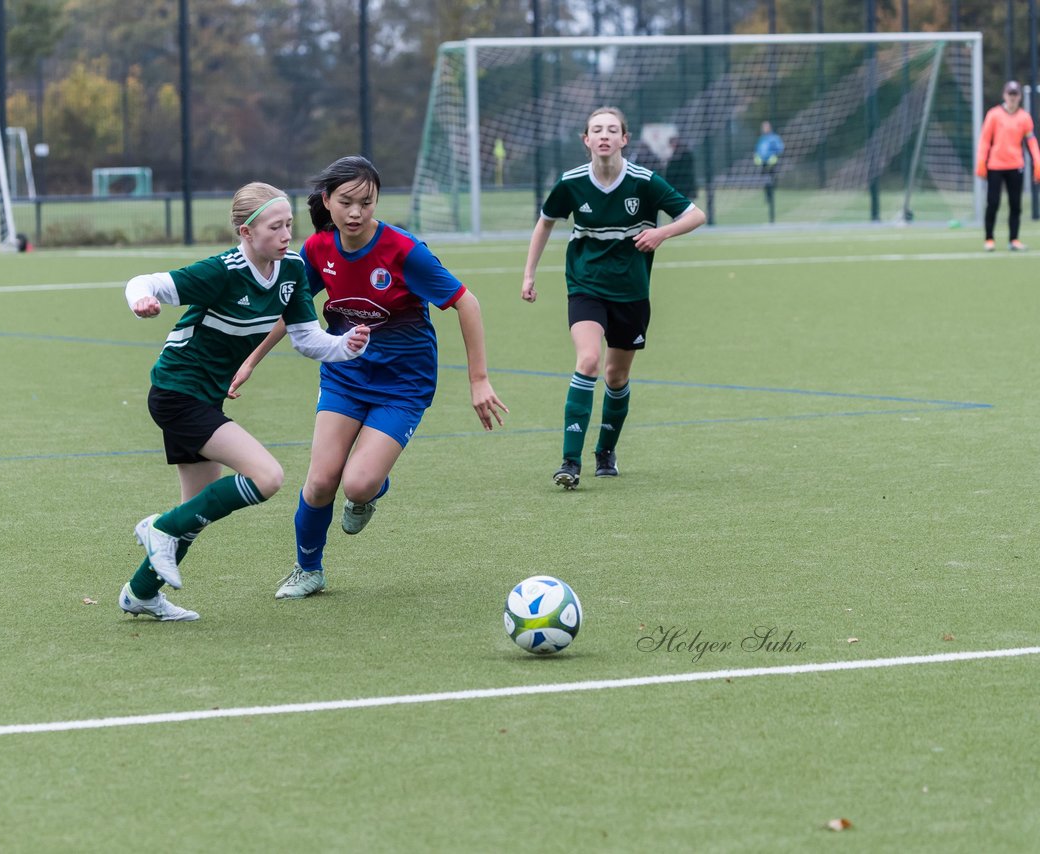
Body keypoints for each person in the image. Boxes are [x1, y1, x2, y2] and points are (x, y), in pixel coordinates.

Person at [230, 155, 509, 600]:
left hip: (403, 383)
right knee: (321, 481)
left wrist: (479, 380)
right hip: (345, 375)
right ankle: (309, 570)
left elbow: (466, 302)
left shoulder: (403, 251)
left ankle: (371, 488)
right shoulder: (318, 250)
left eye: (367, 201)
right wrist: (248, 361)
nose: (356, 212)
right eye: (346, 202)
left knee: (357, 483)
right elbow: (292, 312)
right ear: (327, 201)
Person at [118, 182, 371, 621]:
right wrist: (139, 299)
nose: (286, 234)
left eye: (289, 224)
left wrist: (345, 345)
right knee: (267, 476)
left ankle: (140, 593)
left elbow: (307, 339)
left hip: (204, 398)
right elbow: (146, 282)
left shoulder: (290, 270)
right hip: (177, 393)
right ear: (245, 232)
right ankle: (158, 528)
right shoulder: (223, 270)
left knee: (195, 510)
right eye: (275, 227)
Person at [521, 106, 706, 490]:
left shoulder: (644, 181)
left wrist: (661, 233)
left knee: (616, 375)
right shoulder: (571, 182)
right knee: (588, 360)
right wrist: (529, 274)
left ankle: (606, 451)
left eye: (611, 130)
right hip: (586, 286)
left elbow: (695, 215)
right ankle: (569, 461)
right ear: (586, 140)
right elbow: (545, 223)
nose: (604, 136)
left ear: (625, 138)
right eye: (596, 130)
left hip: (631, 292)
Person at [976, 80, 1040, 252]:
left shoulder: (1024, 117)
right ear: (1004, 95)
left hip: (1015, 165)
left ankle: (1014, 239)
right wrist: (981, 160)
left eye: (1015, 94)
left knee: (1015, 204)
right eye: (1010, 94)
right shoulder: (994, 115)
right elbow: (985, 140)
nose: (1012, 98)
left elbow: (1031, 141)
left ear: (1019, 96)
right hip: (995, 166)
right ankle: (989, 239)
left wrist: (1037, 161)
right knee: (993, 202)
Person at [753, 120, 784, 221]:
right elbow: (758, 150)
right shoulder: (762, 139)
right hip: (763, 163)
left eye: (766, 127)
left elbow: (780, 148)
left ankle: (771, 196)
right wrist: (757, 157)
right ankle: (768, 197)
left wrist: (773, 156)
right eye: (763, 127)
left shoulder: (774, 138)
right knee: (765, 181)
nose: (764, 128)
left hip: (772, 163)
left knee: (772, 180)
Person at [663, 135, 697, 201]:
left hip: (682, 187)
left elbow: (672, 171)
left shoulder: (680, 155)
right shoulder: (683, 153)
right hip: (685, 187)